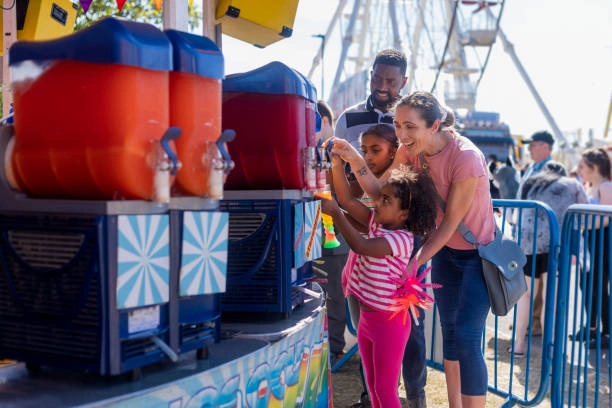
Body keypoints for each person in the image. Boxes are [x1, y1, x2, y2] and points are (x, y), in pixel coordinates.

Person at [331, 90, 496, 407]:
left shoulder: (466, 157)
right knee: (450, 334)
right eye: (397, 125)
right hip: (445, 253)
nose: (402, 135)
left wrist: (413, 262)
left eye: (410, 127)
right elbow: (383, 194)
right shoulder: (411, 151)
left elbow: (449, 223)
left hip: (479, 255)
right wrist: (353, 158)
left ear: (434, 126)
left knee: (467, 336)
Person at [334, 49, 430, 408]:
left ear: (403, 82)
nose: (384, 86)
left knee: (408, 321)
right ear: (370, 75)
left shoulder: (407, 119)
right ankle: (369, 393)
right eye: (379, 78)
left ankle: (415, 394)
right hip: (368, 213)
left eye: (392, 81)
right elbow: (344, 168)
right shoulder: (349, 117)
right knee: (365, 306)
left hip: (401, 218)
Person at [319, 156, 437, 408]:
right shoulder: (377, 223)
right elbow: (349, 201)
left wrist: (337, 216)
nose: (377, 203)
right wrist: (338, 165)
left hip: (389, 326)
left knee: (385, 391)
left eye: (386, 200)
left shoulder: (402, 240)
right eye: (379, 197)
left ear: (405, 212)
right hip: (368, 321)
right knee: (373, 390)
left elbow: (361, 246)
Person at [511, 161, 587, 356]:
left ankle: (518, 344)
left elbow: (514, 215)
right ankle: (550, 348)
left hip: (528, 243)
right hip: (558, 244)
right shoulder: (572, 184)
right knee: (550, 298)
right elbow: (584, 214)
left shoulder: (529, 182)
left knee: (526, 295)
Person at [313, 99, 350, 367]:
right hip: (313, 238)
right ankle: (322, 347)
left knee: (336, 294)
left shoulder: (337, 153)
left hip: (335, 240)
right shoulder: (310, 152)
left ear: (324, 121)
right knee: (317, 293)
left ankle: (335, 349)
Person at [516, 131, 555, 337]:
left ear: (546, 146)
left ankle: (535, 323)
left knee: (537, 285)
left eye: (534, 145)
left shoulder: (553, 169)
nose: (529, 149)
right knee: (527, 281)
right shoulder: (532, 167)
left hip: (542, 236)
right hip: (527, 232)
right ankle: (526, 320)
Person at [575, 147, 612, 349]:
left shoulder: (606, 186)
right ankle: (591, 328)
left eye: (582, 166)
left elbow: (607, 218)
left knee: (598, 286)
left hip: (602, 242)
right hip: (590, 241)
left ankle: (606, 331)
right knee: (586, 284)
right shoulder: (590, 186)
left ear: (594, 166)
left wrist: (582, 223)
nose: (579, 170)